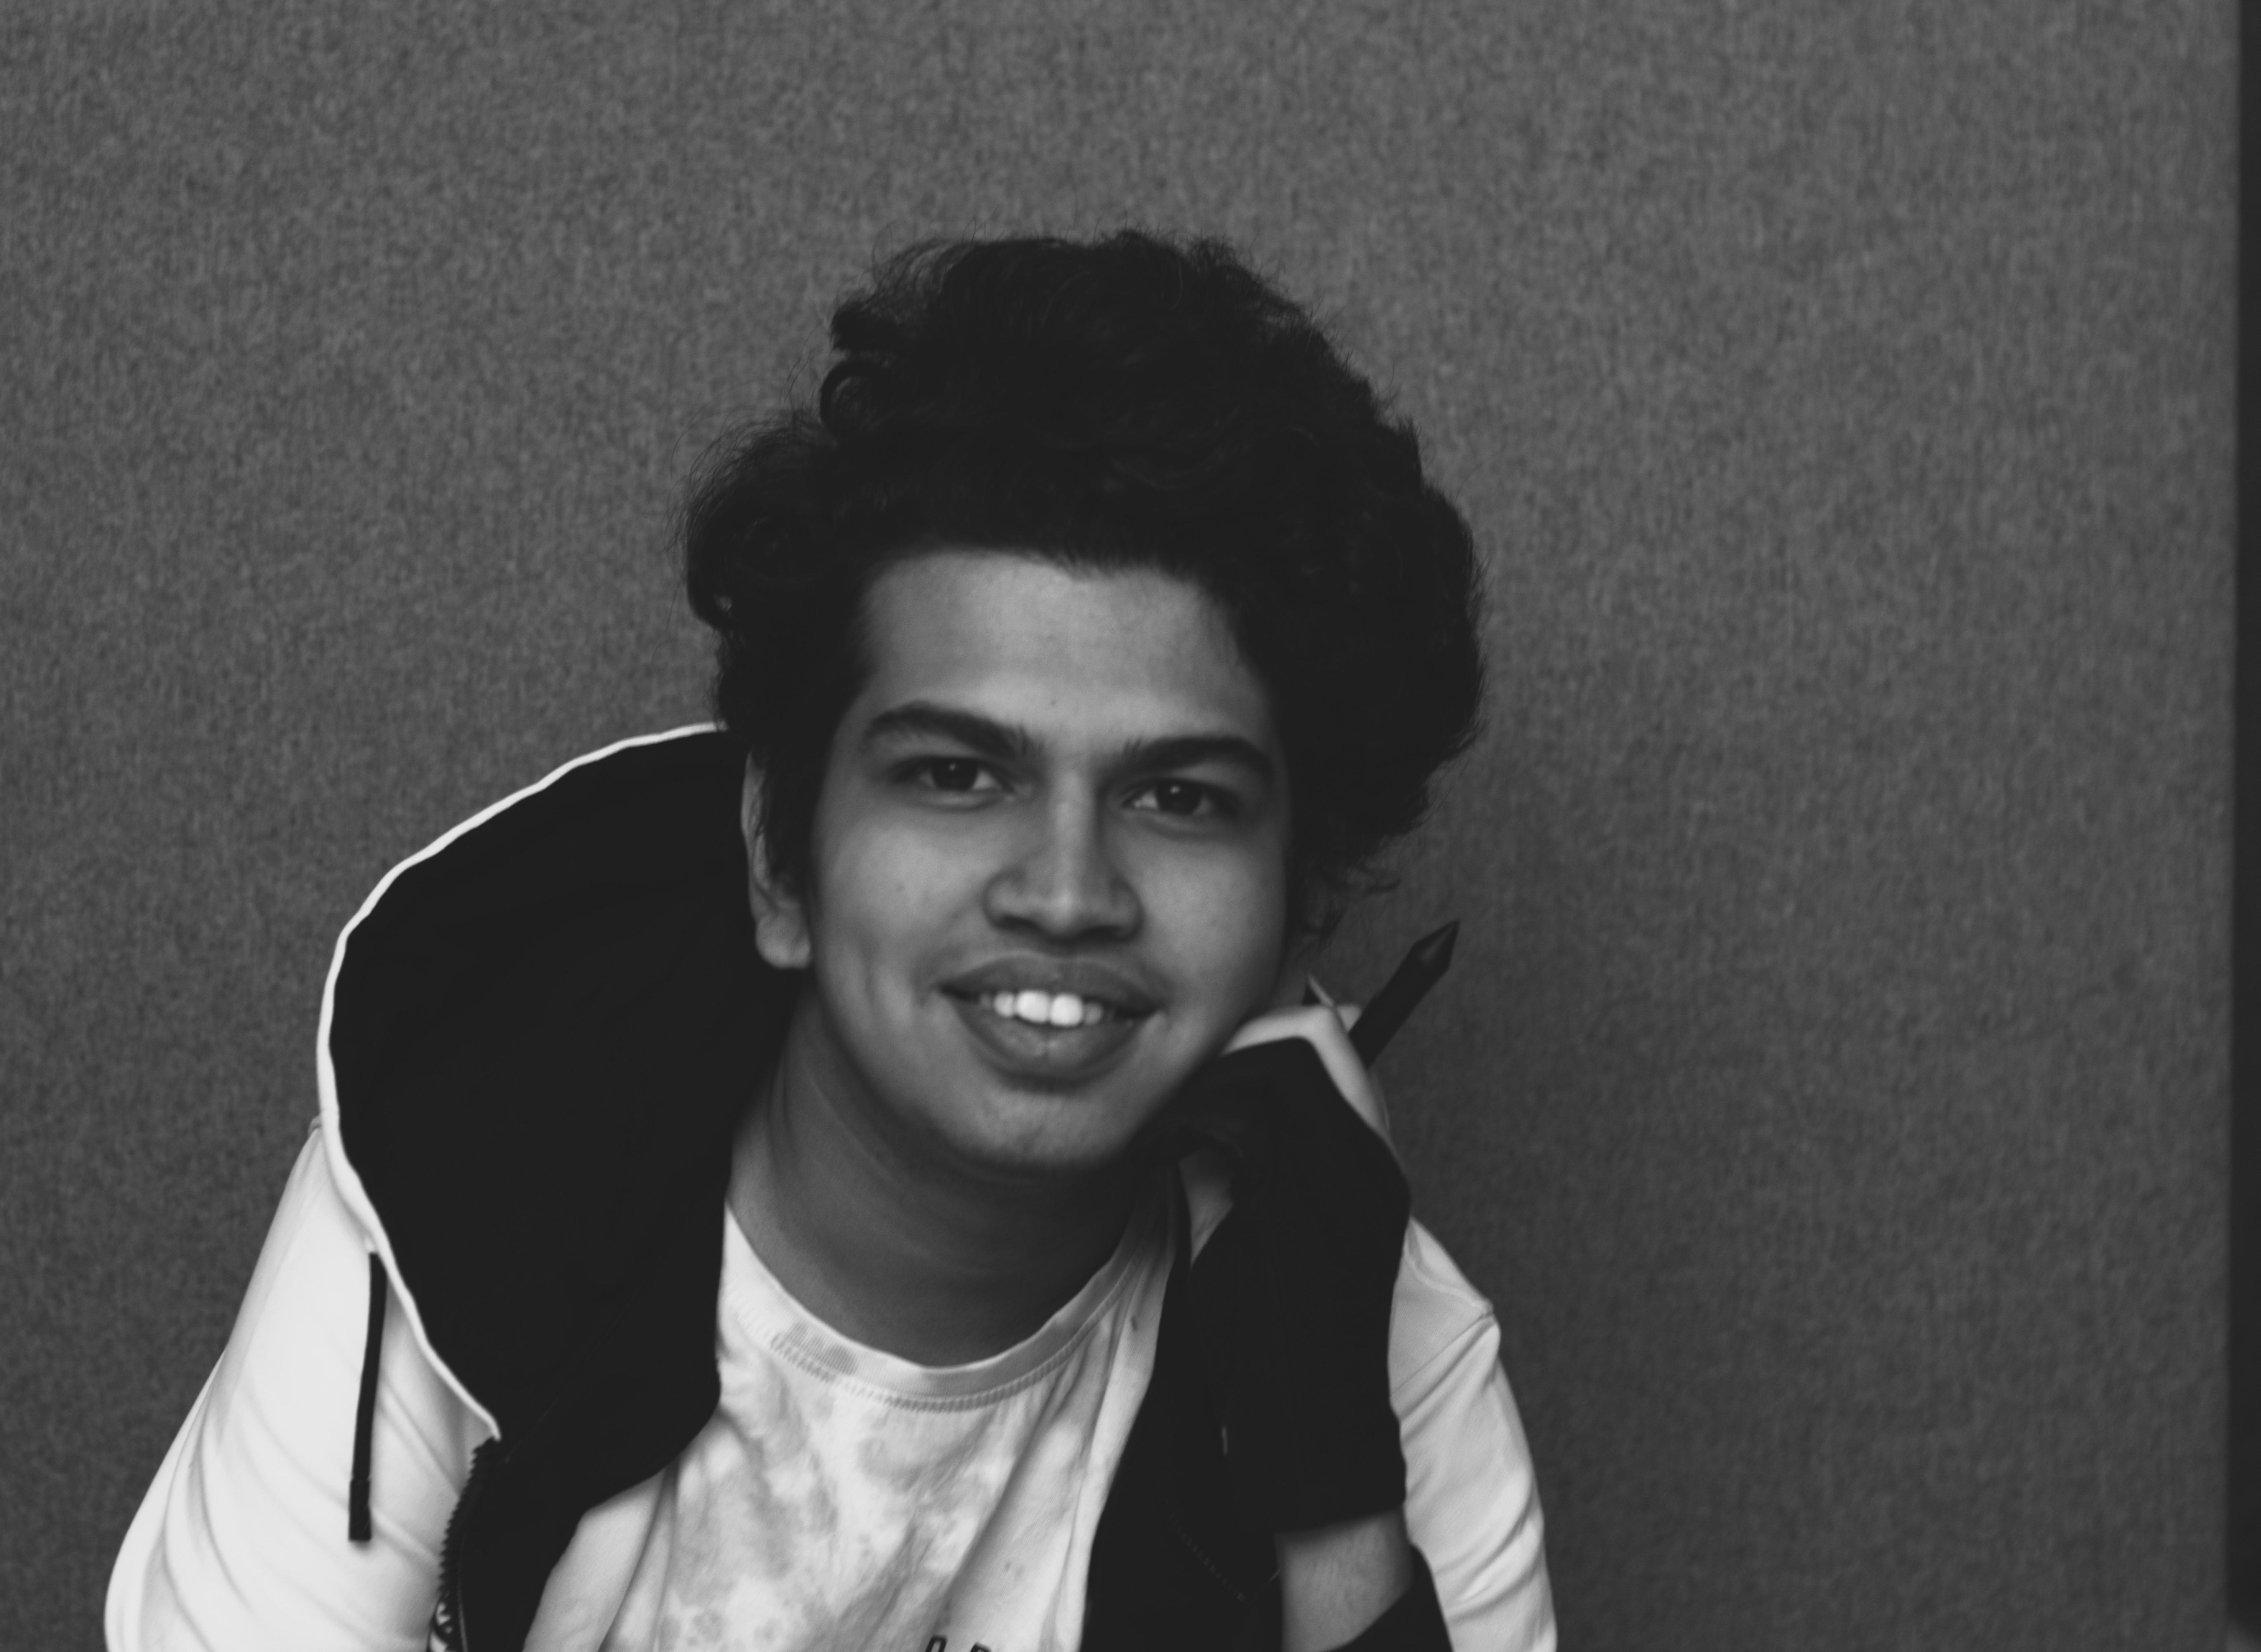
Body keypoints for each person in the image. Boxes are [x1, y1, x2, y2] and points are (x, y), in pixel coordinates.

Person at [106, 231, 1555, 1652]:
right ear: (778, 858)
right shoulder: (450, 1196)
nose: (1066, 891)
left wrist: (1328, 1477)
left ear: (1300, 897)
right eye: (957, 774)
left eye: (1178, 796)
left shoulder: (1379, 1340)